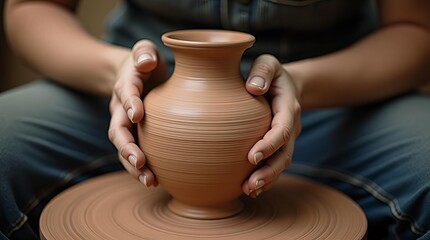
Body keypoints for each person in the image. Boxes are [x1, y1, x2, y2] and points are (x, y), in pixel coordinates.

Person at [1, 0, 429, 239]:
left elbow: (416, 29)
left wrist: (301, 83)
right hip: (135, 92)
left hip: (329, 91)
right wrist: (115, 70)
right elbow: (30, 7)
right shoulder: (130, 83)